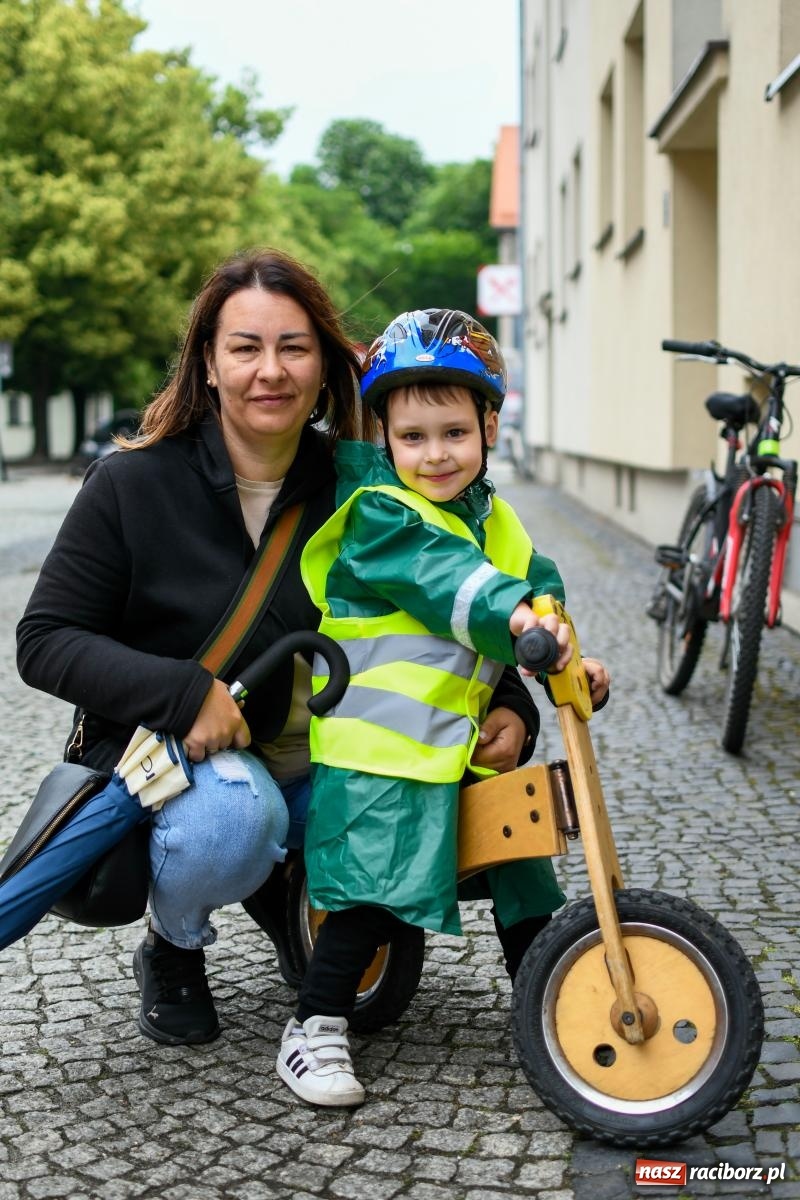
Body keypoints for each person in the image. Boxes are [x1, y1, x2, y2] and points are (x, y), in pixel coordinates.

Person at [14, 253, 544, 1047]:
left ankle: (298, 890)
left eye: (294, 347)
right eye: (245, 348)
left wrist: (510, 702)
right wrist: (184, 694)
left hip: (341, 755)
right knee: (233, 819)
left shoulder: (368, 484)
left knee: (484, 807)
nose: (271, 370)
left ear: (325, 364)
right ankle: (175, 944)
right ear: (208, 362)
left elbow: (438, 598)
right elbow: (45, 641)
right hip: (201, 763)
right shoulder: (132, 484)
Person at [275, 308, 610, 1107]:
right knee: (369, 895)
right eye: (413, 437)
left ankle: (548, 1001)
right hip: (380, 753)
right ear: (385, 437)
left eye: (454, 433)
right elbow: (451, 583)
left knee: (525, 864)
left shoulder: (496, 519)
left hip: (457, 746)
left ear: (488, 428)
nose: (434, 455)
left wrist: (568, 649)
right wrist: (518, 618)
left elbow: (535, 583)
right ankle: (313, 1028)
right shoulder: (379, 515)